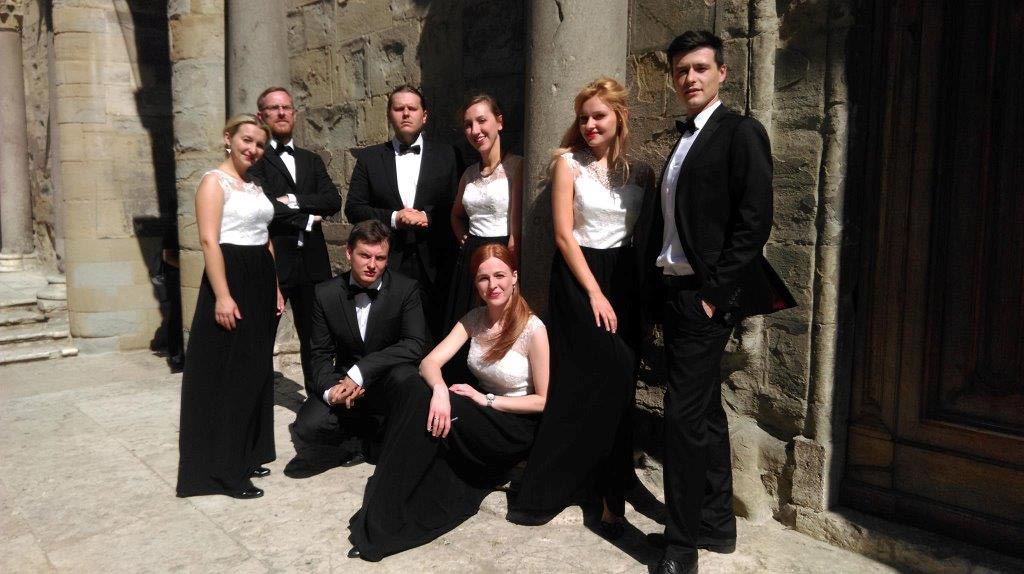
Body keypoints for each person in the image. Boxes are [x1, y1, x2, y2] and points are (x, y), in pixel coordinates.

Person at [633, 31, 796, 574]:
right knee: (702, 412)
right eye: (682, 70)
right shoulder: (682, 139)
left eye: (700, 68)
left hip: (703, 298)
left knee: (680, 420)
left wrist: (712, 297)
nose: (690, 78)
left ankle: (681, 549)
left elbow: (754, 223)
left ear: (722, 73)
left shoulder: (741, 132)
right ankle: (717, 526)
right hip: (674, 292)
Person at [507, 78, 653, 537]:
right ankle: (564, 489)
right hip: (579, 280)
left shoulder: (641, 172)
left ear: (619, 117)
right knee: (590, 383)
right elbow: (563, 235)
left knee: (620, 387)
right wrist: (594, 292)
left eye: (599, 116)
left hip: (624, 281)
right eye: (584, 117)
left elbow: (644, 237)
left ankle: (611, 492)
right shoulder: (567, 164)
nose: (590, 124)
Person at [347, 244, 549, 562]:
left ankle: (384, 524)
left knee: (432, 407)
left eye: (499, 276)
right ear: (475, 284)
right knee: (416, 389)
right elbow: (429, 362)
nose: (492, 285)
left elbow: (543, 402)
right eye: (483, 278)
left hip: (513, 425)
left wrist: (487, 400)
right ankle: (386, 511)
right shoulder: (475, 319)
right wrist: (440, 391)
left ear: (514, 277)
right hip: (480, 414)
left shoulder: (533, 330)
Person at [176, 114, 285, 500]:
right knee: (230, 375)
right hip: (231, 277)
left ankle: (248, 452)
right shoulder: (213, 182)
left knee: (255, 370)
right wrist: (222, 295)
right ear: (228, 138)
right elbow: (209, 241)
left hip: (260, 277)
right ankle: (223, 470)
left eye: (260, 144)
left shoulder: (254, 184)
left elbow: (265, 238)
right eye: (247, 140)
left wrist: (275, 287)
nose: (253, 149)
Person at [284, 220, 428, 476]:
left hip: (387, 381)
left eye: (380, 258)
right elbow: (319, 354)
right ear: (349, 253)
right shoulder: (325, 293)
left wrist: (362, 370)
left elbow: (414, 344)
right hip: (345, 384)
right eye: (365, 255)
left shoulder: (406, 289)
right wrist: (332, 392)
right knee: (308, 427)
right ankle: (364, 442)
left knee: (406, 380)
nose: (372, 265)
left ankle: (367, 440)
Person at [344, 84, 462, 337]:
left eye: (412, 108)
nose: (405, 113)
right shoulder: (369, 158)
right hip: (388, 261)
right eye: (399, 108)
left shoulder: (449, 155)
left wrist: (428, 217)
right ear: (390, 114)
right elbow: (353, 209)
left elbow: (461, 205)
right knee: (389, 332)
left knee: (438, 332)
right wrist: (394, 218)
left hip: (437, 262)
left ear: (424, 116)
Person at [249, 86, 341, 397]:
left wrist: (294, 200)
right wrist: (306, 218)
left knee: (317, 338)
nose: (281, 113)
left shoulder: (311, 160)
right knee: (262, 333)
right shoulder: (256, 159)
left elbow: (333, 200)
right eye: (274, 108)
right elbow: (263, 206)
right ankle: (255, 401)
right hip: (274, 261)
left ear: (294, 114)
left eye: (286, 107)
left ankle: (317, 400)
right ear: (261, 116)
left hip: (313, 263)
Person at [443, 94, 523, 331]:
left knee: (499, 326)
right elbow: (456, 215)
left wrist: (512, 261)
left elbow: (516, 231)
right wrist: (463, 238)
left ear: (499, 121)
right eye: (468, 125)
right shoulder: (469, 174)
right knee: (468, 323)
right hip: (472, 256)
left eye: (481, 121)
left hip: (503, 252)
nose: (475, 130)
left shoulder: (517, 166)